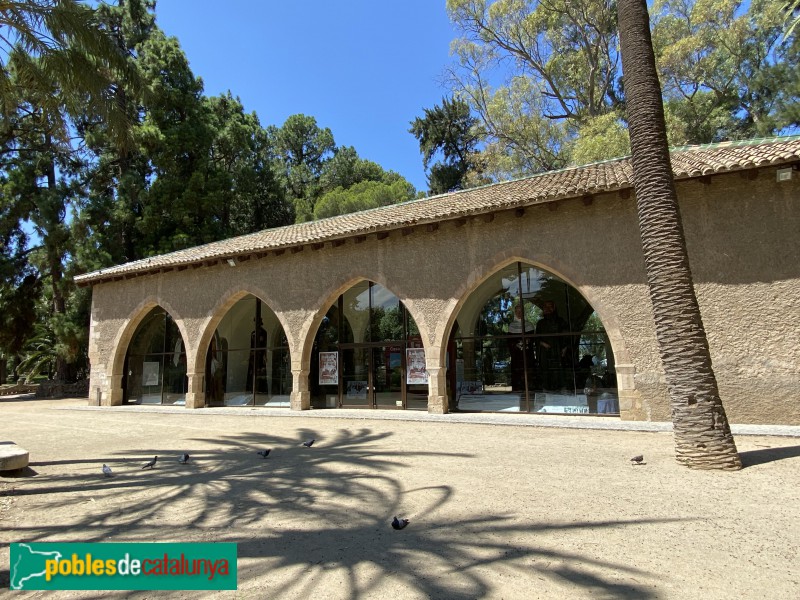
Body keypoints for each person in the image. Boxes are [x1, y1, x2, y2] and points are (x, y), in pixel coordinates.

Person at [535, 300, 569, 391]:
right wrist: (543, 344)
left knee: (559, 369)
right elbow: (536, 338)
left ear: (554, 308)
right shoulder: (540, 323)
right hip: (545, 352)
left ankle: (561, 388)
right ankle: (546, 388)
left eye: (550, 306)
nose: (547, 309)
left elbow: (566, 336)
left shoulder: (560, 321)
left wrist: (564, 348)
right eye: (545, 307)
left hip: (558, 350)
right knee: (545, 370)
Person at [507, 302, 535, 392]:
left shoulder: (529, 325)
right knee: (517, 375)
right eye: (517, 311)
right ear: (515, 313)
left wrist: (526, 341)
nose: (519, 313)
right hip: (516, 356)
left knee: (528, 374)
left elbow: (532, 340)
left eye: (521, 311)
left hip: (527, 355)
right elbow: (510, 342)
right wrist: (516, 344)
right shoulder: (511, 326)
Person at [246, 318, 268, 393]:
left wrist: (265, 355)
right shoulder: (253, 333)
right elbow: (251, 345)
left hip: (260, 354)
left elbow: (265, 344)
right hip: (254, 355)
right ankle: (252, 388)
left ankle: (261, 388)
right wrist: (250, 355)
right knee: (252, 371)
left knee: (260, 371)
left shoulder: (264, 332)